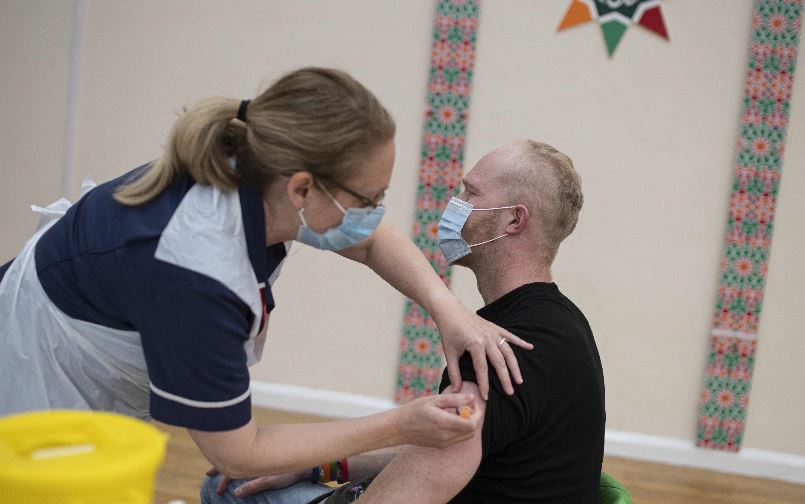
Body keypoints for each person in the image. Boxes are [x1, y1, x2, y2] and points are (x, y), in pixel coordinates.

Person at [0, 68, 534, 482]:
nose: (373, 213)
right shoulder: (197, 275)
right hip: (37, 372)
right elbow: (238, 452)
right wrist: (401, 424)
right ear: (302, 189)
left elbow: (369, 239)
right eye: (367, 198)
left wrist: (449, 310)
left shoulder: (255, 169)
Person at [202, 140, 605, 503]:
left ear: (513, 221)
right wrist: (320, 466)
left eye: (470, 192)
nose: (455, 202)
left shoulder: (498, 354)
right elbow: (434, 448)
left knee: (229, 489)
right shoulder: (559, 322)